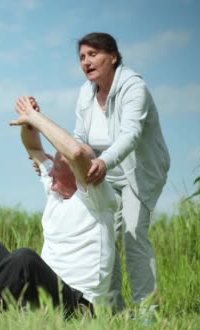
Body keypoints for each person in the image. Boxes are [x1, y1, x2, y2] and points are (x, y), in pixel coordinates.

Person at [0, 96, 117, 317]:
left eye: (56, 169)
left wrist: (38, 118)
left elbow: (76, 153)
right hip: (44, 296)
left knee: (25, 259)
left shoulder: (96, 199)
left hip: (78, 305)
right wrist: (28, 123)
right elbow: (33, 146)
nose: (48, 172)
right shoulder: (55, 193)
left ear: (77, 174)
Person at [71, 32, 170, 312]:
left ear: (113, 56)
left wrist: (103, 162)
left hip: (140, 171)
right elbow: (79, 139)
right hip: (106, 174)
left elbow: (131, 134)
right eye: (82, 57)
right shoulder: (85, 94)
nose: (86, 62)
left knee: (133, 233)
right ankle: (114, 310)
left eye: (93, 54)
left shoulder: (134, 87)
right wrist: (58, 161)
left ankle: (147, 312)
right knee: (104, 239)